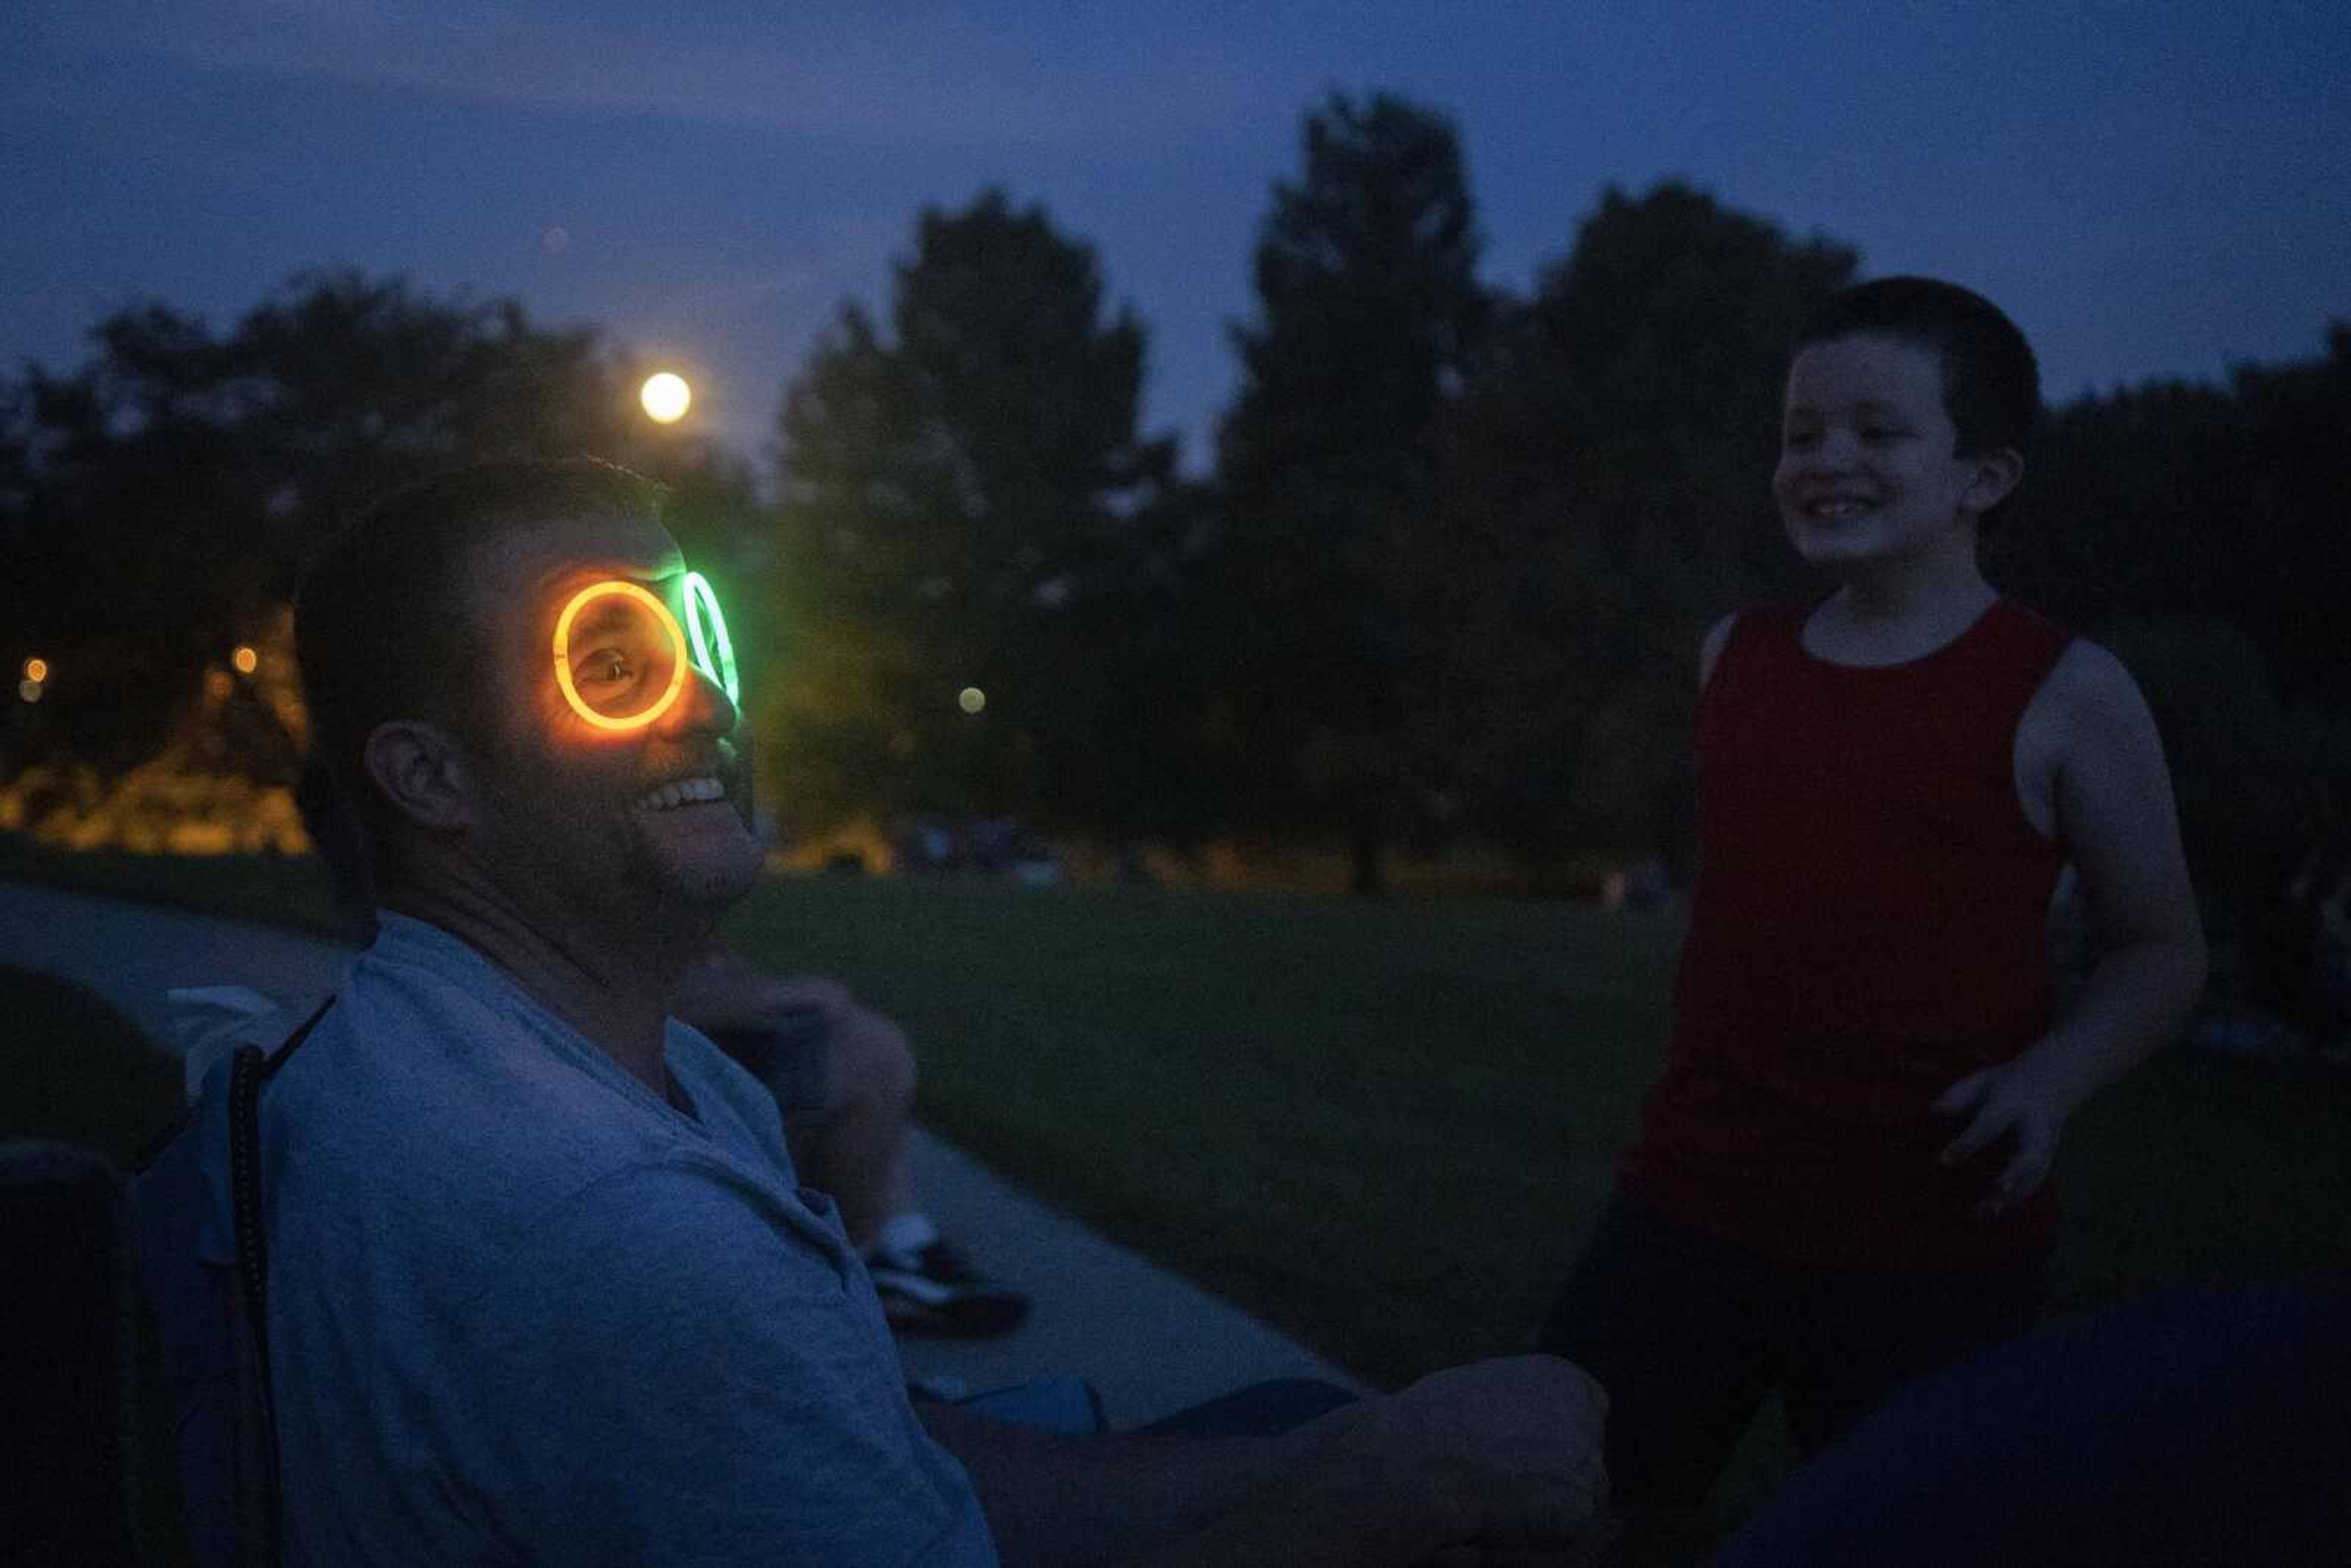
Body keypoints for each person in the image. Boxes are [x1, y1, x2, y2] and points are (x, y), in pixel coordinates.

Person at [176, 456, 1607, 1564]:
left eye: (698, 640)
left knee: (1304, 1426)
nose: (703, 706)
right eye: (612, 663)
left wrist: (1324, 1461)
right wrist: (1383, 1492)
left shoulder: (501, 1045)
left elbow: (886, 1450)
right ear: (430, 780)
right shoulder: (616, 1222)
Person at [1537, 279, 2207, 1528]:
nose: (1827, 459)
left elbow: (2163, 949)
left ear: (1983, 476)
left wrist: (2048, 1081)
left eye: (1878, 431)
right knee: (1552, 1506)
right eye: (1802, 433)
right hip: (1687, 1206)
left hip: (1934, 1248)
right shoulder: (1735, 654)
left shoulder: (2066, 689)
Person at [299, 757, 1030, 1338]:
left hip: (660, 1089)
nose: (702, 707)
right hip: (649, 1104)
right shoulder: (492, 961)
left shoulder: (421, 976)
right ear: (423, 783)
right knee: (866, 1051)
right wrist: (781, 999)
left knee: (845, 1043)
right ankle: (886, 1249)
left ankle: (899, 1239)